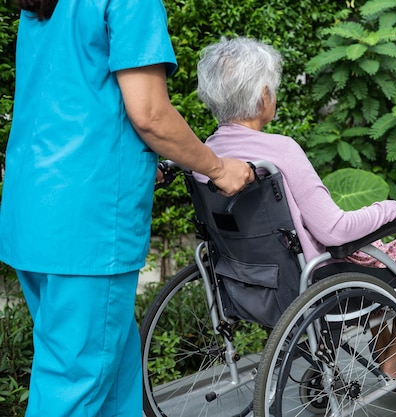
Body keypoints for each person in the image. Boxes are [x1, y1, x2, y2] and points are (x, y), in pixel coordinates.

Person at [0, 1, 253, 416]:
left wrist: (131, 159)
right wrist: (218, 167)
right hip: (87, 223)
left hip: (35, 212)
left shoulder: (42, 7)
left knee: (114, 378)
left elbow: (67, 98)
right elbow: (151, 114)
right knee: (74, 385)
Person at [193, 36, 396, 379]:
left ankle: (389, 344)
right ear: (263, 95)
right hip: (309, 283)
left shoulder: (205, 154)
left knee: (379, 252)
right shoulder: (280, 151)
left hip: (244, 280)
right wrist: (392, 209)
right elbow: (334, 230)